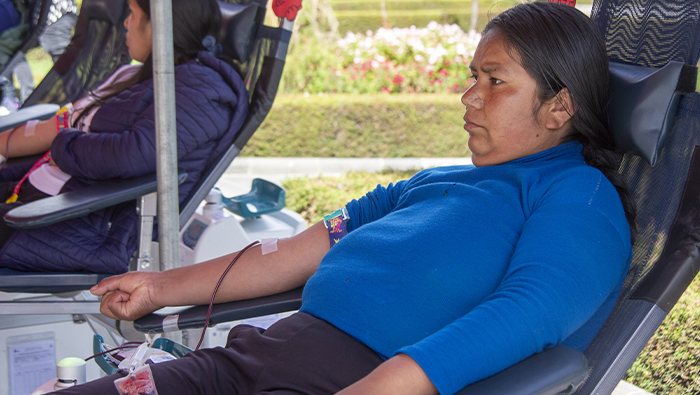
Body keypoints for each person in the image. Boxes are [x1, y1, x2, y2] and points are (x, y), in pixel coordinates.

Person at [54, 2, 635, 395]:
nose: (468, 98)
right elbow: (295, 251)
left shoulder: (578, 197)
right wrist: (159, 287)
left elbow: (527, 313)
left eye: (494, 80)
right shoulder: (435, 184)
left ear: (560, 106)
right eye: (471, 77)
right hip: (249, 362)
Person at [0, 0, 248, 274]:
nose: (126, 23)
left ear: (161, 26)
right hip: (48, 203)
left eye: (132, 14)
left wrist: (63, 141)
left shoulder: (202, 90)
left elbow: (130, 155)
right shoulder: (151, 77)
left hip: (73, 226)